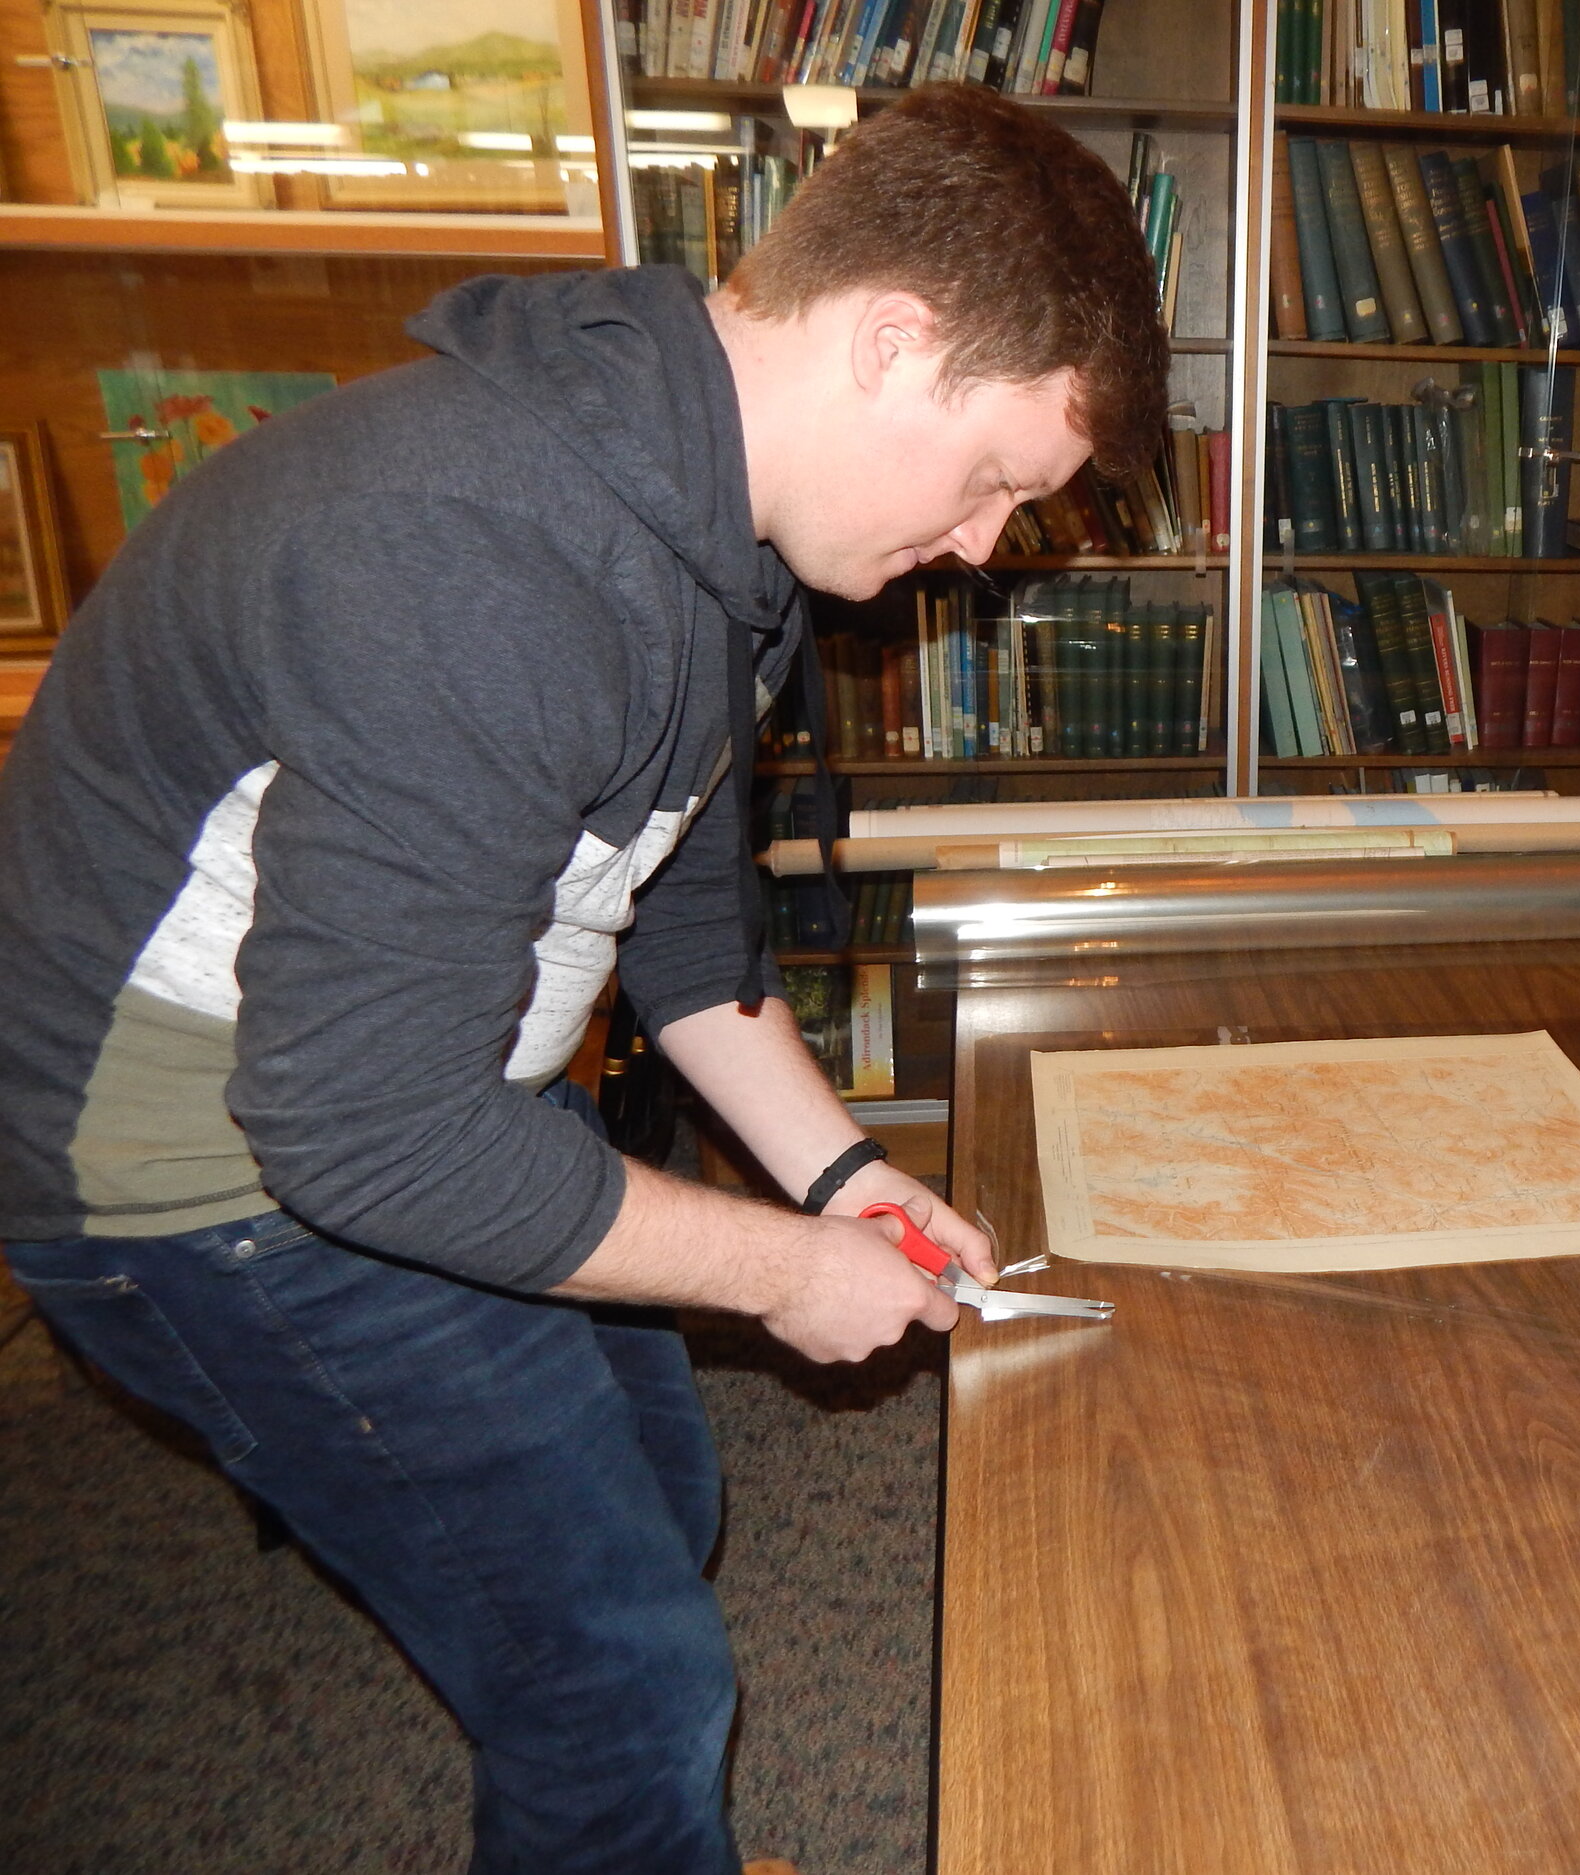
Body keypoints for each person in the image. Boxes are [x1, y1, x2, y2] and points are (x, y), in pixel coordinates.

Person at [0, 83, 1167, 1874]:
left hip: (407, 1082)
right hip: (198, 1175)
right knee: (619, 1684)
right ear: (889, 341)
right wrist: (783, 1271)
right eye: (997, 477)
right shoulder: (483, 552)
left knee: (666, 1492)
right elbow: (360, 1136)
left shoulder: (721, 529)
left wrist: (844, 1180)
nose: (988, 545)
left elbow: (682, 922)